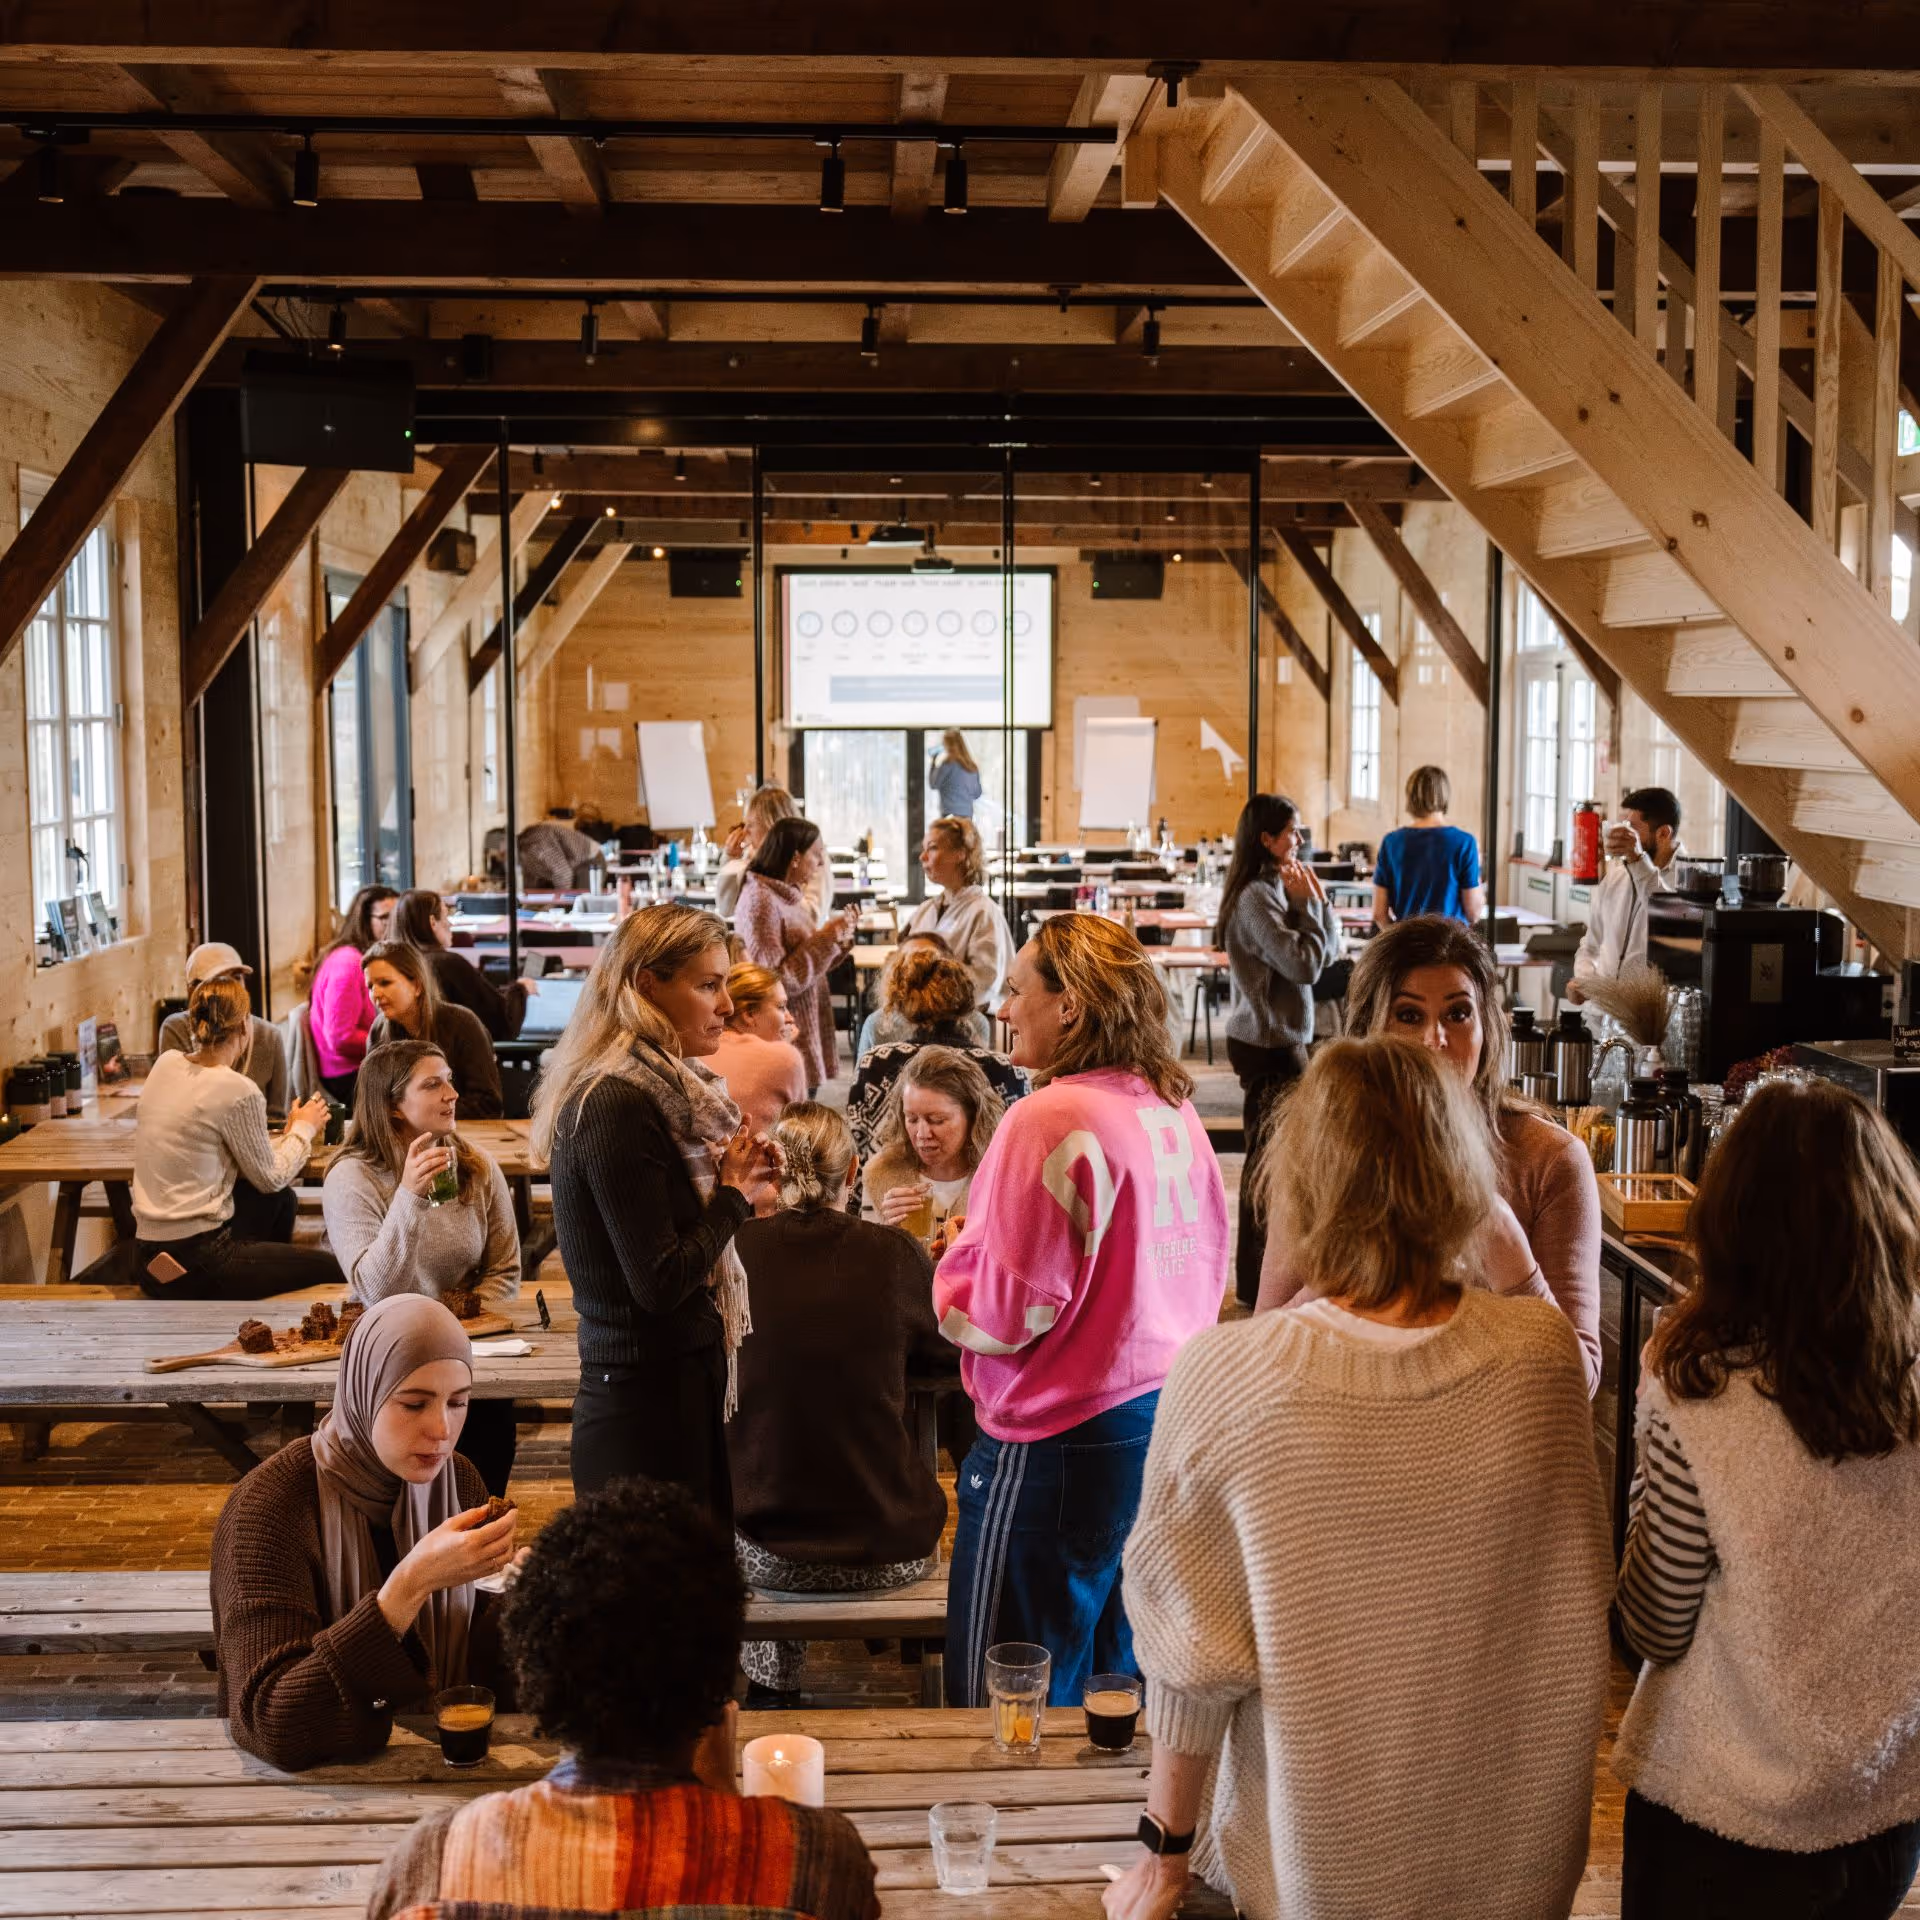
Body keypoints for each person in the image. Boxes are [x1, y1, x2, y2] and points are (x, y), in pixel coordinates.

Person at [1111, 1038, 1609, 1920]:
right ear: (1464, 1174)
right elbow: (1572, 1603)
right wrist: (1514, 1257)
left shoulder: (1228, 1374)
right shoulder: (1541, 1359)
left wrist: (1164, 1858)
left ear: (1304, 1181)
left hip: (1318, 1873)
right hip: (1517, 1872)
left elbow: (1192, 1667)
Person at [1612, 1078, 1920, 1919]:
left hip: (1721, 1817)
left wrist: (1647, 1448)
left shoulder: (1701, 1390)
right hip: (1883, 1811)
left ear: (1731, 1222)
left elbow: (1653, 1624)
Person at [935, 913, 1229, 1709]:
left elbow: (1003, 1314)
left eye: (1016, 990)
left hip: (1055, 1436)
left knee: (1007, 1690)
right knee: (1113, 1684)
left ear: (1069, 1006)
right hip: (1157, 1417)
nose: (1001, 1008)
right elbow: (1206, 1258)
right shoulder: (1170, 1104)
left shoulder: (1048, 1116)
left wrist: (955, 1262)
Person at [364, 1478, 879, 1920]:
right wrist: (725, 1800)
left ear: (534, 1672)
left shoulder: (432, 1866)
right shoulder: (819, 1862)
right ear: (721, 1667)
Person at [1257, 915, 1604, 1395]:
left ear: (1488, 1028)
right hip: (1345, 1421)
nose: (1434, 1039)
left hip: (1489, 1430)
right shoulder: (1318, 1150)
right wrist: (1359, 1267)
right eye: (1409, 1015)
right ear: (1368, 1031)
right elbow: (1264, 1347)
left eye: (1458, 1014)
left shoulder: (1550, 1160)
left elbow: (1580, 1382)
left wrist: (1506, 1246)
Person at [532, 904, 782, 1522]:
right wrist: (732, 1195)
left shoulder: (664, 1089)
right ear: (647, 985)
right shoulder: (615, 1102)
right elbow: (659, 1282)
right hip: (640, 1404)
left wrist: (739, 1182)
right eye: (708, 985)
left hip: (671, 1382)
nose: (726, 1005)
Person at [209, 1294, 520, 1773]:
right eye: (414, 1403)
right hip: (314, 1788)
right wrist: (408, 1588)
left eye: (458, 1402)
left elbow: (477, 1670)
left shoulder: (458, 1482)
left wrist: (519, 1602)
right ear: (363, 1392)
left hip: (443, 1763)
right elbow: (272, 1724)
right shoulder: (269, 1507)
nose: (441, 1428)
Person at [727, 1105, 951, 1702]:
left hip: (768, 1551)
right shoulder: (894, 1252)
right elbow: (944, 1355)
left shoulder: (734, 1249)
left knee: (763, 1472)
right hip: (891, 1546)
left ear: (773, 1171)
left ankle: (773, 1688)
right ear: (852, 1172)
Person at [322, 1040, 522, 1496]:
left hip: (469, 1348)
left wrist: (456, 1333)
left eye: (449, 1080)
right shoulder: (352, 1178)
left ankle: (474, 1528)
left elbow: (505, 1269)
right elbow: (376, 1292)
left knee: (486, 1438)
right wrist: (409, 1197)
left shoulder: (476, 1167)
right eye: (433, 1085)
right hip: (389, 1356)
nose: (452, 1094)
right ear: (393, 1106)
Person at [131, 976, 340, 1299]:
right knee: (331, 1267)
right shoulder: (237, 1089)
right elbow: (272, 1177)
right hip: (197, 1261)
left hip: (147, 1255)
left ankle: (255, 1297)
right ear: (245, 1025)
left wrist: (287, 1137)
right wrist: (305, 1127)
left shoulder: (166, 1064)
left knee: (278, 1202)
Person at [1216, 793, 1340, 1307]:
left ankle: (1267, 1279)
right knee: (1268, 1167)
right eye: (1293, 831)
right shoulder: (1255, 899)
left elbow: (1328, 954)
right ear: (1266, 839)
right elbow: (1306, 966)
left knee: (1279, 1162)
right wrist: (1310, 908)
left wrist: (1319, 906)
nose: (1301, 840)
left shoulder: (1276, 888)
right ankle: (1255, 1284)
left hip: (1284, 1038)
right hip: (1267, 1041)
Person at [844, 949, 1027, 1162]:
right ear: (966, 999)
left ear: (900, 1001)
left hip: (889, 1181)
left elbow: (855, 1150)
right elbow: (1020, 1156)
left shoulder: (875, 1064)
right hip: (985, 1182)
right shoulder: (1006, 1070)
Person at [734, 816, 859, 1090]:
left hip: (802, 1021)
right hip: (785, 1030)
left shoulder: (784, 895)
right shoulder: (761, 902)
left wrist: (838, 940)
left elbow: (804, 960)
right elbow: (775, 981)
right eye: (817, 854)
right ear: (795, 858)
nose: (821, 863)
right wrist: (828, 938)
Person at [861, 1045, 1009, 1233]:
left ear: (973, 1117)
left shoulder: (1001, 1177)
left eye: (937, 1120)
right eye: (912, 1119)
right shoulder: (879, 1173)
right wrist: (886, 1234)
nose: (922, 1134)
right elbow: (868, 1248)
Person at [362, 939, 505, 1120]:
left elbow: (488, 1104)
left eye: (385, 983)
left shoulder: (463, 1024)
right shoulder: (378, 1030)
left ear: (417, 986)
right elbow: (372, 1101)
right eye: (370, 986)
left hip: (461, 1131)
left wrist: (419, 1113)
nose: (375, 994)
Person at [1569, 785, 1686, 1001]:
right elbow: (1591, 945)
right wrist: (1584, 982)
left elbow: (1668, 917)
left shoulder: (1689, 879)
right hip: (1600, 1014)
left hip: (1646, 1016)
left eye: (1632, 830)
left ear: (1663, 834)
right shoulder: (1615, 877)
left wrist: (1637, 859)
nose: (1624, 835)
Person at [158, 941, 289, 1123]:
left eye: (237, 977)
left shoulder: (270, 1036)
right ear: (193, 990)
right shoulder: (176, 1029)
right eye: (220, 982)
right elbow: (177, 1108)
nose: (235, 989)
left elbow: (276, 1117)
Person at [391, 887, 533, 1043]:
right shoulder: (448, 964)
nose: (450, 923)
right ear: (433, 922)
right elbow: (503, 1025)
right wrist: (520, 991)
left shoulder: (394, 966)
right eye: (446, 916)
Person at [904, 814, 1012, 1016]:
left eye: (932, 848)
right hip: (919, 1010)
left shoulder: (983, 912)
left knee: (875, 1025)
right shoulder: (927, 909)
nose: (922, 857)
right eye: (924, 849)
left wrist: (931, 991)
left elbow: (985, 982)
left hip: (961, 1016)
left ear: (960, 854)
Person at [307, 884, 398, 1102]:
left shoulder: (366, 957)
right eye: (386, 918)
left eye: (397, 916)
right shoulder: (348, 962)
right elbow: (341, 1038)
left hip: (363, 1064)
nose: (394, 924)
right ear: (364, 921)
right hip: (347, 1074)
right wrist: (392, 1040)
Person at [1371, 764, 1487, 926]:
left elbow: (1379, 913)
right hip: (1450, 938)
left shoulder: (1391, 842)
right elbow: (1473, 913)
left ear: (1410, 797)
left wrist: (1398, 937)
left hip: (1408, 936)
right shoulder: (1464, 843)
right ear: (1444, 795)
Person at [854, 929, 989, 1057]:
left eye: (929, 960)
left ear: (947, 967)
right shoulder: (877, 1024)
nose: (918, 968)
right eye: (910, 961)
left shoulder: (975, 1023)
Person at [714, 784, 834, 924]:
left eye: (751, 824)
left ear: (772, 826)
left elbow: (812, 918)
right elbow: (725, 909)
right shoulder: (752, 857)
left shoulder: (814, 858)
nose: (745, 831)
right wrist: (730, 859)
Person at [709, 962, 807, 1135]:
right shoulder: (784, 1058)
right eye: (781, 1007)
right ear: (749, 1014)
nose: (790, 1018)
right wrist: (784, 1049)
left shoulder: (696, 1051)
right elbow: (801, 1137)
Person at [516, 808, 602, 891]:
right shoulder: (523, 850)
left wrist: (558, 900)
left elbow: (563, 874)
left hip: (589, 861)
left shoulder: (535, 846)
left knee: (580, 899)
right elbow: (529, 880)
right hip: (573, 866)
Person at [929, 727, 984, 822]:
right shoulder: (972, 766)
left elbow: (933, 784)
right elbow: (977, 794)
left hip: (949, 817)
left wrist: (933, 762)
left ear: (948, 745)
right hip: (967, 818)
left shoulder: (947, 764)